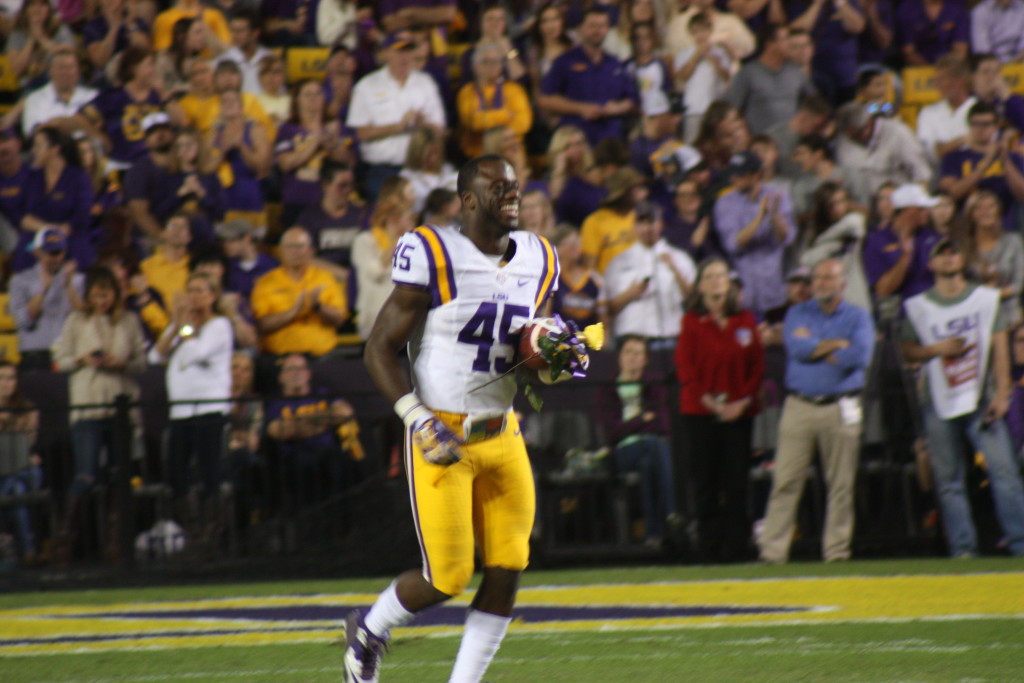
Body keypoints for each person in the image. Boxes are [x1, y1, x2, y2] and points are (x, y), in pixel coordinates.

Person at [348, 155, 589, 683]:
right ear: (469, 199)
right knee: (448, 576)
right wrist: (417, 419)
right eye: (498, 187)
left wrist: (552, 360)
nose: (512, 195)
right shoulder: (433, 251)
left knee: (508, 565)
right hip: (442, 431)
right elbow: (379, 350)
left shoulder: (539, 257)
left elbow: (530, 361)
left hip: (502, 431)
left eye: (515, 186)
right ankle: (367, 631)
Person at [902, 237, 1024, 558]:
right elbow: (907, 350)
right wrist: (936, 350)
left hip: (982, 398)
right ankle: (963, 550)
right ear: (930, 264)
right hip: (938, 400)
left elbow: (1000, 345)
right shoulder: (919, 306)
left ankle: (1020, 544)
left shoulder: (984, 299)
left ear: (961, 259)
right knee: (948, 481)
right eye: (941, 254)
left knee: (1005, 473)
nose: (948, 258)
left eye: (953, 251)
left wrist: (1003, 393)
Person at [758, 258, 875, 564]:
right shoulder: (798, 312)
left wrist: (815, 346)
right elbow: (797, 349)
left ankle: (836, 553)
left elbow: (859, 355)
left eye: (829, 277)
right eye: (818, 278)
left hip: (841, 406)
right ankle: (772, 553)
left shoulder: (858, 316)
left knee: (840, 485)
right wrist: (837, 344)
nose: (822, 283)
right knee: (785, 481)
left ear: (842, 283)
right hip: (799, 406)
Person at [50, 266, 147, 565]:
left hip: (121, 407)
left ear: (115, 294)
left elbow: (142, 362)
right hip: (88, 406)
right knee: (86, 474)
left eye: (107, 294)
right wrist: (83, 358)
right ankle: (65, 543)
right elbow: (60, 359)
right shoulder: (77, 321)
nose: (102, 300)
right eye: (96, 295)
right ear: (89, 295)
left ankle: (116, 544)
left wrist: (122, 363)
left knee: (120, 475)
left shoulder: (129, 321)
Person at [675, 257, 764, 563]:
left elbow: (757, 367)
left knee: (737, 481)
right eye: (709, 276)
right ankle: (708, 549)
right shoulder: (691, 322)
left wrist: (741, 402)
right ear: (700, 285)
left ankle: (738, 547)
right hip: (700, 413)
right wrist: (713, 404)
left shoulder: (746, 321)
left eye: (721, 276)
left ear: (730, 282)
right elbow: (686, 370)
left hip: (740, 414)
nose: (716, 281)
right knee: (705, 482)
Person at [148, 271, 233, 553]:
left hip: (209, 409)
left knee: (210, 472)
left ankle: (213, 532)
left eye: (200, 291)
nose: (194, 297)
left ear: (212, 296)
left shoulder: (219, 325)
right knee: (176, 474)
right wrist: (174, 325)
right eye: (190, 290)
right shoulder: (182, 328)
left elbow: (198, 351)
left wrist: (184, 327)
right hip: (181, 414)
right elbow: (155, 356)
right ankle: (193, 530)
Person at [596, 335, 678, 547]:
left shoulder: (655, 384)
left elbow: (663, 425)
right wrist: (642, 418)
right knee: (655, 445)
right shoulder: (607, 389)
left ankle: (653, 534)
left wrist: (631, 424)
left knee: (649, 462)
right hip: (622, 452)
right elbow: (611, 431)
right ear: (619, 357)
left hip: (652, 450)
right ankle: (671, 512)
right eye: (628, 352)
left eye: (638, 353)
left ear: (646, 359)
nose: (633, 357)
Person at [347, 30, 446, 202]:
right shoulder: (366, 86)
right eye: (399, 50)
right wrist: (398, 127)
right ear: (385, 53)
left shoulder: (425, 83)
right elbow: (361, 133)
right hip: (383, 170)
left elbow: (439, 130)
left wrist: (422, 124)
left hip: (420, 168)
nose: (405, 57)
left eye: (409, 51)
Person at [265, 353, 356, 506]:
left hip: (328, 455)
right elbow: (279, 430)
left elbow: (345, 412)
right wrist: (325, 421)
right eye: (291, 369)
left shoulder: (322, 393)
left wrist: (299, 423)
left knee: (344, 462)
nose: (297, 373)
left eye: (301, 368)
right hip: (294, 459)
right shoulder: (275, 403)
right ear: (281, 377)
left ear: (308, 374)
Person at [539, 7, 638, 147]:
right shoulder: (564, 61)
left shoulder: (615, 63)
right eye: (592, 25)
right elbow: (546, 99)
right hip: (577, 138)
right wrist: (581, 108)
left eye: (602, 26)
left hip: (612, 137)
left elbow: (631, 99)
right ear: (580, 29)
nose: (597, 30)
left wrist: (618, 107)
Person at [713, 150, 795, 314]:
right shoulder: (725, 203)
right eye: (733, 174)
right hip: (743, 296)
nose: (733, 179)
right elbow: (733, 244)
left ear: (756, 175)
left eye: (739, 175)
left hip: (774, 290)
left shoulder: (779, 197)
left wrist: (775, 217)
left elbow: (785, 240)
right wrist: (760, 218)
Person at [604, 201, 696, 348]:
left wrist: (675, 269)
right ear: (634, 226)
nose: (647, 228)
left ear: (661, 224)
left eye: (651, 222)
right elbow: (605, 308)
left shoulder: (679, 258)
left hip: (670, 337)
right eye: (641, 223)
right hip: (630, 338)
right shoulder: (618, 262)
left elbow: (694, 301)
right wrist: (631, 294)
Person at [251, 227, 349, 357]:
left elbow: (339, 319)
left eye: (300, 246)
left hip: (322, 357)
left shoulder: (325, 278)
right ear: (280, 251)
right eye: (290, 247)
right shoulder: (265, 282)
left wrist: (318, 307)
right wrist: (294, 312)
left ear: (310, 251)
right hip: (279, 358)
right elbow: (261, 326)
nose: (295, 252)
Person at [274, 79, 353, 226]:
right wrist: (316, 141)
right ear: (297, 100)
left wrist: (333, 143)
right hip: (298, 201)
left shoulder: (336, 128)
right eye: (307, 94)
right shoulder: (287, 130)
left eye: (318, 93)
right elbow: (285, 164)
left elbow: (348, 163)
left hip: (330, 203)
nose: (314, 98)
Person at [18, 126, 96, 272]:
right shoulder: (31, 177)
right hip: (36, 244)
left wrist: (61, 231)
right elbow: (21, 215)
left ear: (54, 150)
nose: (33, 150)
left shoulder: (78, 178)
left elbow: (83, 214)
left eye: (38, 146)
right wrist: (48, 230)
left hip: (70, 243)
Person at [938, 101, 1024, 225]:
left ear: (995, 127)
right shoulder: (954, 157)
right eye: (976, 124)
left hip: (1005, 225)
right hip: (966, 226)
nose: (981, 129)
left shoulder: (1011, 157)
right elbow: (952, 195)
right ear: (969, 126)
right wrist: (987, 161)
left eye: (986, 124)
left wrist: (1004, 158)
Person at [8, 228, 83, 370]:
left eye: (59, 252)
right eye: (51, 253)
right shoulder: (21, 280)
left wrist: (69, 287)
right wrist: (42, 289)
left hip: (69, 352)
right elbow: (24, 321)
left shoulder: (77, 280)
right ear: (37, 252)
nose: (57, 258)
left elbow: (83, 317)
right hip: (35, 353)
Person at [351, 177, 416, 340]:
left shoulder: (415, 245)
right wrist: (396, 241)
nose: (412, 223)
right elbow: (375, 272)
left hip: (408, 324)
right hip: (377, 321)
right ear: (393, 218)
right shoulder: (365, 240)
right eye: (407, 218)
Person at [834, 102, 932, 207]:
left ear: (870, 122)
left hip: (899, 203)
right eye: (852, 136)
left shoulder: (898, 133)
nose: (857, 139)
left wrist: (915, 205)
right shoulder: (843, 143)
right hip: (862, 206)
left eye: (860, 132)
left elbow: (923, 175)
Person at [725, 24, 814, 136]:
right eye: (785, 39)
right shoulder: (748, 73)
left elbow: (813, 101)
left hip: (792, 142)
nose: (791, 43)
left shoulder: (795, 71)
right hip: (760, 142)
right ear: (769, 45)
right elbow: (731, 107)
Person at [863, 183, 944, 303]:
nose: (927, 212)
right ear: (906, 211)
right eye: (921, 209)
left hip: (935, 305)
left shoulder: (932, 237)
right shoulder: (877, 241)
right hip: (899, 312)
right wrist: (906, 256)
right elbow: (883, 291)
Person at [799, 182, 872, 311]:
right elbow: (806, 260)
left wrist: (823, 243)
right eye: (833, 204)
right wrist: (833, 245)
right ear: (823, 208)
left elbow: (855, 222)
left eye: (842, 201)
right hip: (827, 300)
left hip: (855, 295)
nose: (838, 208)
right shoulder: (815, 234)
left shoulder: (852, 222)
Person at [456, 42, 533, 161]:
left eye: (497, 61)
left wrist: (488, 121)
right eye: (487, 61)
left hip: (512, 152)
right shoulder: (467, 92)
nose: (493, 65)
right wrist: (506, 114)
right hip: (477, 155)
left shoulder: (514, 89)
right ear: (475, 66)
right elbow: (474, 122)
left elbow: (523, 123)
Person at [961, 190, 1024, 327]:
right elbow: (962, 286)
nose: (986, 212)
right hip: (975, 317)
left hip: (1010, 317)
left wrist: (992, 295)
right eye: (979, 207)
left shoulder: (1013, 242)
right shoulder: (964, 249)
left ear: (999, 211)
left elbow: (1019, 284)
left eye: (991, 206)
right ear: (971, 214)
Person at [0, 361, 41, 566]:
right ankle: (27, 551)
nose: (8, 383)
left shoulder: (28, 410)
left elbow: (27, 445)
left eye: (11, 378)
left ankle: (5, 541)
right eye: (2, 378)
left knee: (18, 480)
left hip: (25, 469)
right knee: (16, 491)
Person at [674, 12, 734, 143]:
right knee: (693, 144)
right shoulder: (684, 55)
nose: (700, 35)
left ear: (710, 30)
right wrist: (697, 56)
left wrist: (712, 59)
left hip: (714, 110)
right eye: (696, 32)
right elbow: (682, 76)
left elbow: (726, 77)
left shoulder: (720, 52)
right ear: (690, 33)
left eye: (703, 30)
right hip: (694, 109)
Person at [294, 161, 368, 267]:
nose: (348, 190)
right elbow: (305, 258)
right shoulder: (310, 218)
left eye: (351, 185)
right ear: (325, 185)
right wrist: (342, 275)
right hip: (321, 277)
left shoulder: (360, 214)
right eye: (342, 185)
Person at [18, 48, 97, 140]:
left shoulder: (93, 96)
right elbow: (33, 133)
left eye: (70, 67)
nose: (66, 73)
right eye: (61, 68)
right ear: (50, 72)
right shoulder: (34, 99)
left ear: (78, 71)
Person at [580, 166, 647, 274]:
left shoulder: (642, 217)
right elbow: (589, 269)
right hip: (610, 286)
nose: (643, 193)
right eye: (637, 188)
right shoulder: (594, 222)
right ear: (623, 192)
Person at [917, 56, 977, 168]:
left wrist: (946, 146)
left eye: (942, 79)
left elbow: (983, 148)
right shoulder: (928, 113)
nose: (938, 85)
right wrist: (962, 141)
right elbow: (933, 154)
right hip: (939, 174)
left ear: (960, 80)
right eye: (937, 80)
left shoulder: (979, 108)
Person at [4, 0, 76, 87]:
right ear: (26, 10)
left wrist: (41, 38)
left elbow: (68, 54)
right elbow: (16, 69)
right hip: (31, 84)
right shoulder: (17, 34)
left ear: (49, 9)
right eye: (32, 4)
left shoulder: (60, 29)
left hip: (60, 80)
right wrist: (32, 39)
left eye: (42, 4)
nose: (37, 9)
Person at [550, 225, 606, 330]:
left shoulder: (594, 280)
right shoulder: (551, 278)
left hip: (587, 343)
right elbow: (545, 316)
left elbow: (603, 322)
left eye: (577, 242)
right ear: (557, 248)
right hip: (556, 341)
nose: (575, 247)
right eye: (570, 243)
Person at [399, 126, 458, 215]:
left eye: (437, 152)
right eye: (429, 154)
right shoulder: (407, 176)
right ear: (417, 153)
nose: (434, 158)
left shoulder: (450, 171)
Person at [217, 218, 277, 300]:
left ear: (247, 238)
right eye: (224, 241)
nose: (226, 245)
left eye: (231, 240)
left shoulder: (270, 265)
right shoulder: (226, 266)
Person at [215, 9, 272, 94]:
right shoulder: (224, 59)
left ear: (255, 33)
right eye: (233, 31)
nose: (235, 35)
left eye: (240, 31)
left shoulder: (269, 58)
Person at [897, 0, 969, 65]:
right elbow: (909, 51)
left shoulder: (956, 8)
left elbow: (960, 49)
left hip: (950, 66)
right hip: (918, 67)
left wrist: (946, 69)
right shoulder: (907, 8)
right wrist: (930, 71)